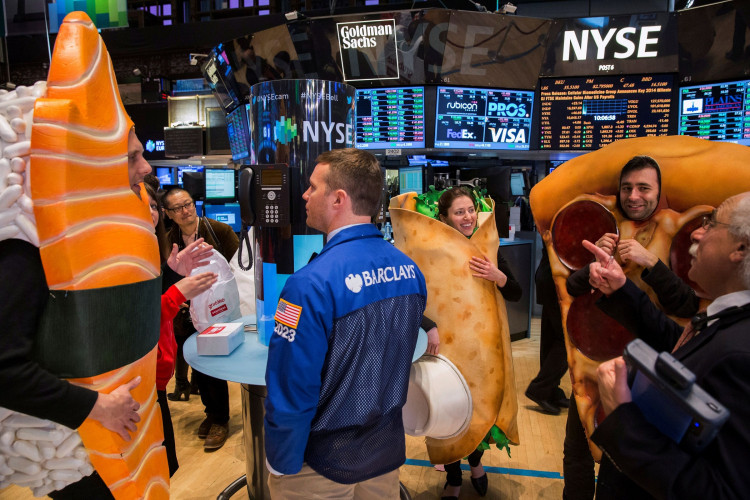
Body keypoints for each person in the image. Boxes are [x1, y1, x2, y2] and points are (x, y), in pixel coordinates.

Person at [264, 148, 427, 499]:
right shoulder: (410, 272)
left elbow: (292, 385)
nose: (304, 195)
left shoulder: (307, 285)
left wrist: (280, 459)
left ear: (338, 198)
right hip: (383, 453)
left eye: (312, 187)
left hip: (320, 464)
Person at [0, 126, 153, 498]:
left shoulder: (89, 235)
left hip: (116, 435)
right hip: (77, 451)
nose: (146, 168)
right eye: (132, 157)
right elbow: (5, 369)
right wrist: (97, 406)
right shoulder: (25, 252)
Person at [583, 192, 750, 499]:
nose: (697, 233)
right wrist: (621, 289)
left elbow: (723, 492)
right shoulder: (733, 320)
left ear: (740, 248)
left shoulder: (743, 355)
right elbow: (683, 348)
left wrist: (623, 418)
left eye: (711, 224)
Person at [435, 186, 522, 499]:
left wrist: (496, 275)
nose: (469, 217)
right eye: (460, 212)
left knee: (479, 407)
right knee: (449, 410)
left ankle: (476, 464)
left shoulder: (489, 245)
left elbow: (515, 292)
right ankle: (455, 477)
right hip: (446, 347)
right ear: (444, 218)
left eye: (471, 209)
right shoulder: (433, 249)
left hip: (483, 346)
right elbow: (419, 297)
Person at [144, 184, 216, 475]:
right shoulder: (131, 249)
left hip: (156, 373)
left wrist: (174, 274)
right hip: (143, 377)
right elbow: (136, 314)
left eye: (152, 205)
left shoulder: (153, 244)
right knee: (156, 468)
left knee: (164, 465)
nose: (150, 212)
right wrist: (177, 290)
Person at [162, 187, 239, 450]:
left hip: (215, 312)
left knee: (212, 364)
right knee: (197, 363)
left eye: (188, 204)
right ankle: (210, 412)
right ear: (168, 214)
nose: (185, 211)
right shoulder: (166, 240)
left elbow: (238, 269)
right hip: (183, 313)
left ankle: (220, 419)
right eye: (177, 208)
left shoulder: (219, 231)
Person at [525, 245, 569, 415]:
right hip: (558, 278)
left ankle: (551, 391)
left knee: (552, 336)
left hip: (550, 275)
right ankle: (540, 389)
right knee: (567, 339)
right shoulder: (562, 217)